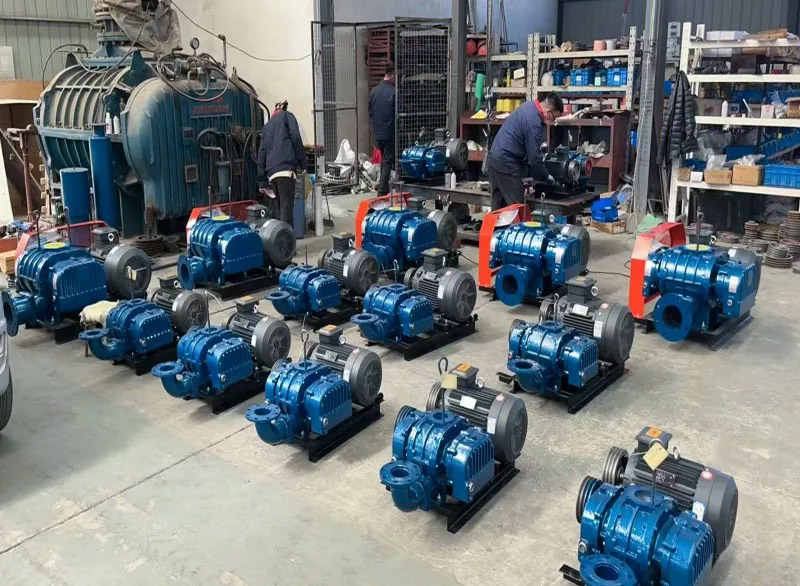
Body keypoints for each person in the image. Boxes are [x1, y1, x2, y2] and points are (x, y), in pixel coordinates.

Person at [487, 92, 564, 210]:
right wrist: (546, 177)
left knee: (499, 211)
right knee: (518, 210)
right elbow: (534, 158)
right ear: (548, 112)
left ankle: (496, 223)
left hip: (495, 159)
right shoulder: (534, 123)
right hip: (506, 163)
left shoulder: (529, 106)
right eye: (554, 117)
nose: (553, 121)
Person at [257, 100, 307, 225]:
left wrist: (262, 182)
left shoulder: (266, 127)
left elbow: (261, 154)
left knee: (280, 210)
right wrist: (303, 164)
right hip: (286, 170)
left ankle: (280, 235)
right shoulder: (287, 116)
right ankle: (286, 237)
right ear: (284, 109)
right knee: (286, 212)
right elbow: (296, 137)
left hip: (272, 175)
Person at [369, 63, 396, 196]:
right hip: (389, 132)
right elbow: (397, 113)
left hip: (377, 133)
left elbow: (370, 112)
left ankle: (383, 186)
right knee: (387, 162)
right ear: (392, 75)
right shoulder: (394, 92)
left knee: (384, 161)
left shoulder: (374, 91)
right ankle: (382, 192)